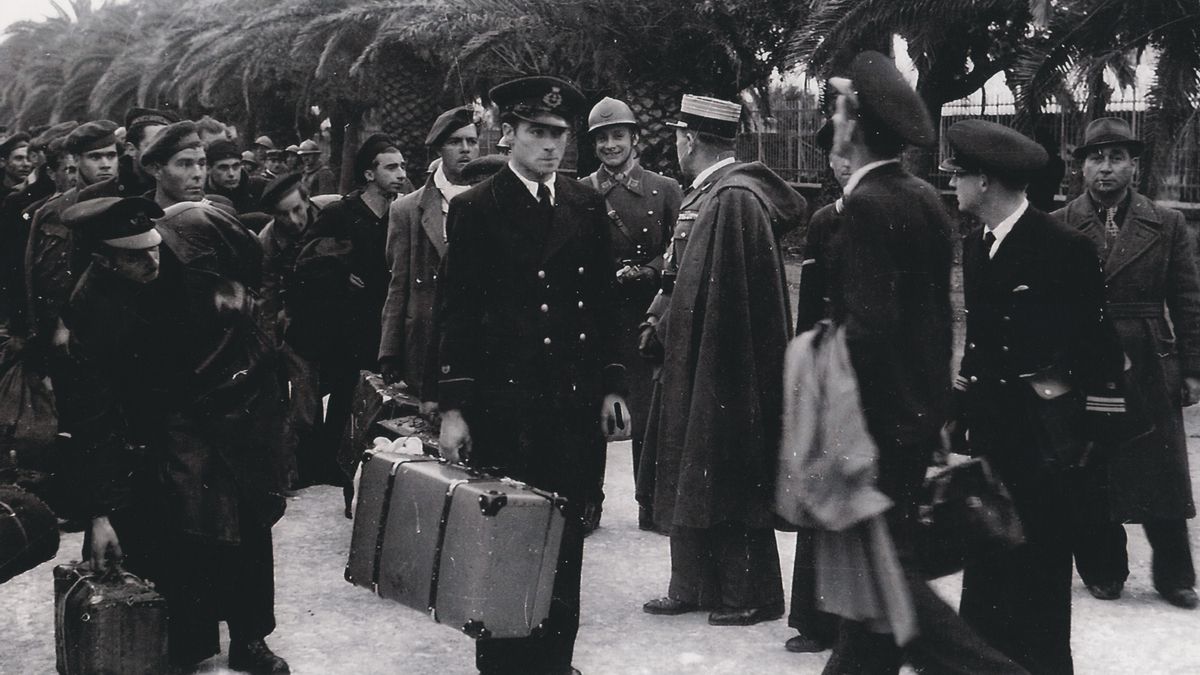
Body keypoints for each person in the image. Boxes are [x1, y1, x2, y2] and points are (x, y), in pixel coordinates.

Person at [818, 54, 1028, 675]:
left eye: (835, 111)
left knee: (894, 593)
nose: (830, 121)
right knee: (875, 609)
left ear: (852, 128)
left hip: (876, 432)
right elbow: (938, 325)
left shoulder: (864, 207)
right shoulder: (921, 199)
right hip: (911, 423)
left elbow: (869, 333)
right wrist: (929, 413)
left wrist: (837, 427)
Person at [436, 75, 629, 675]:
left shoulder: (583, 204)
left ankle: (556, 660)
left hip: (569, 406)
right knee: (507, 541)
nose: (551, 146)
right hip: (505, 406)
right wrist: (452, 407)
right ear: (509, 134)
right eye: (537, 133)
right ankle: (504, 665)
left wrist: (614, 385)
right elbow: (456, 313)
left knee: (566, 542)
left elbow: (604, 304)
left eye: (559, 136)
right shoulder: (476, 208)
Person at [66, 187, 289, 674]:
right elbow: (91, 414)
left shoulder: (194, 235)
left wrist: (254, 318)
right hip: (163, 420)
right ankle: (189, 643)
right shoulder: (90, 308)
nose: (152, 259)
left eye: (152, 245)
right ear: (104, 261)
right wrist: (99, 511)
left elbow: (256, 263)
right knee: (181, 531)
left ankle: (251, 637)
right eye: (135, 257)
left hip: (238, 399)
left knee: (248, 524)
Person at [947, 118, 1129, 674]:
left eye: (959, 174)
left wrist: (1092, 443)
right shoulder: (977, 246)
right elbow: (979, 346)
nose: (952, 183)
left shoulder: (1062, 247)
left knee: (1042, 588)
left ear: (986, 182)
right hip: (995, 439)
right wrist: (958, 423)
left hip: (1049, 448)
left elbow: (1099, 349)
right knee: (989, 577)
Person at [637, 93, 800, 627]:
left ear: (689, 140)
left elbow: (722, 296)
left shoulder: (731, 199)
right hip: (696, 354)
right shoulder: (711, 194)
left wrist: (665, 328)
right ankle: (693, 585)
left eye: (678, 136)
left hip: (721, 364)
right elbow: (681, 275)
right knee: (694, 465)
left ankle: (748, 594)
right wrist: (660, 321)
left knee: (724, 471)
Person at [1053, 116, 1200, 610]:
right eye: (1096, 157)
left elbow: (1187, 299)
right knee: (1092, 466)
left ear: (1134, 166)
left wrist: (1193, 368)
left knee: (1161, 467)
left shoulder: (1168, 223)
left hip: (1149, 356)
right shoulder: (1059, 225)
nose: (1106, 168)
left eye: (1117, 157)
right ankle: (1103, 569)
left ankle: (1175, 575)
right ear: (1081, 168)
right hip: (1086, 357)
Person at [577, 97, 682, 534]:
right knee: (590, 408)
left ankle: (651, 502)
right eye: (601, 138)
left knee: (649, 408)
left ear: (635, 139)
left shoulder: (664, 190)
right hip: (599, 318)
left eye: (617, 135)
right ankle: (588, 501)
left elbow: (680, 249)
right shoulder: (580, 192)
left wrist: (650, 270)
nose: (610, 145)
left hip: (647, 318)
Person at [289, 134, 405, 488]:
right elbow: (306, 260)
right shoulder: (341, 212)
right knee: (343, 395)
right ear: (369, 174)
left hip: (383, 319)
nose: (401, 174)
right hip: (344, 324)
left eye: (402, 166)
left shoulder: (401, 211)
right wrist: (340, 274)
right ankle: (331, 466)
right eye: (391, 167)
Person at [784, 119, 849, 655]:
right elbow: (810, 309)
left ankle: (856, 624)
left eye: (849, 152)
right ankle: (815, 618)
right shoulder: (825, 221)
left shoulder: (894, 215)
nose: (842, 162)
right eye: (834, 155)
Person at [378, 105, 479, 402]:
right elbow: (398, 284)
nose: (465, 150)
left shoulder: (492, 199)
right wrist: (390, 351)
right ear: (438, 149)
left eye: (471, 142)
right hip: (425, 340)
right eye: (455, 142)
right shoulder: (407, 209)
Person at [78, 107, 176, 201]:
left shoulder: (181, 189)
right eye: (153, 145)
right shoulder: (98, 195)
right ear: (131, 149)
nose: (161, 153)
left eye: (167, 146)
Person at [205, 139, 267, 213]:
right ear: (208, 169)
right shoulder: (200, 195)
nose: (231, 174)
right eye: (223, 167)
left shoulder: (258, 188)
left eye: (236, 166)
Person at [0, 133, 33, 202]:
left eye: (29, 159)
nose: (26, 164)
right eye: (19, 158)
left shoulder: (36, 192)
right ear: (3, 162)